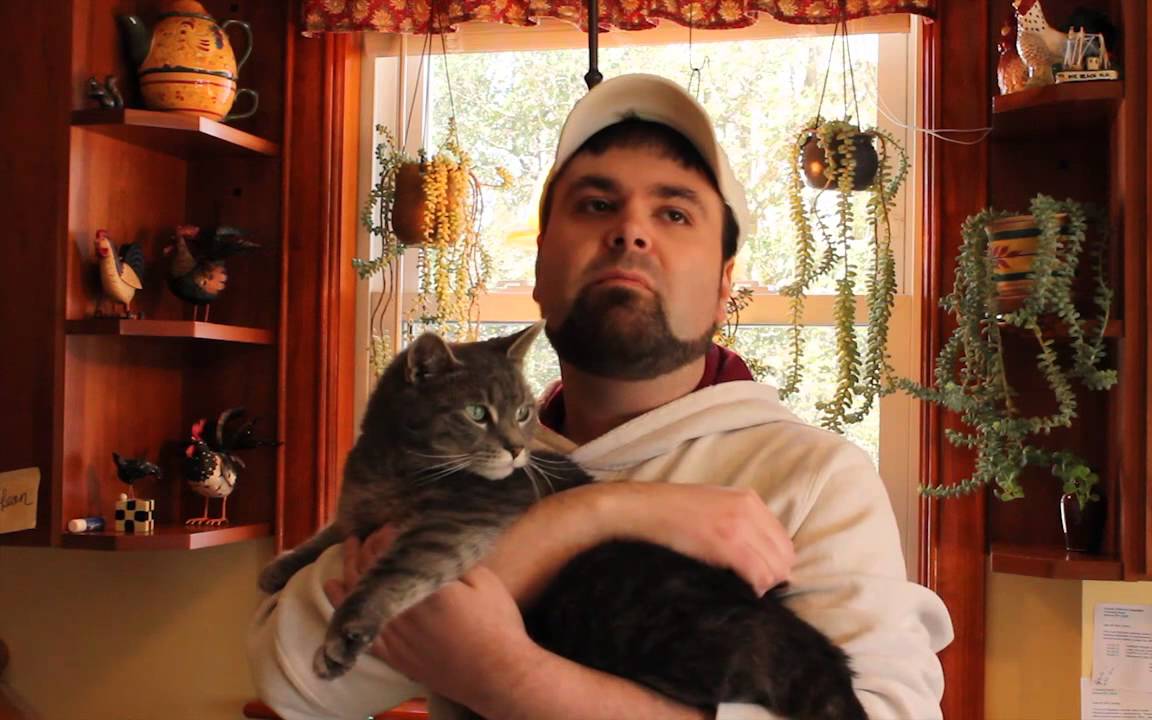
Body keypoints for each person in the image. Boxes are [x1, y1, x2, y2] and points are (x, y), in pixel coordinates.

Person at [248, 73, 954, 720]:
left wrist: (515, 680)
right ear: (538, 268)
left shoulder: (815, 478)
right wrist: (591, 516)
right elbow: (294, 679)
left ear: (723, 286)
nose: (631, 230)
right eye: (596, 205)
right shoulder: (457, 452)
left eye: (674, 213)